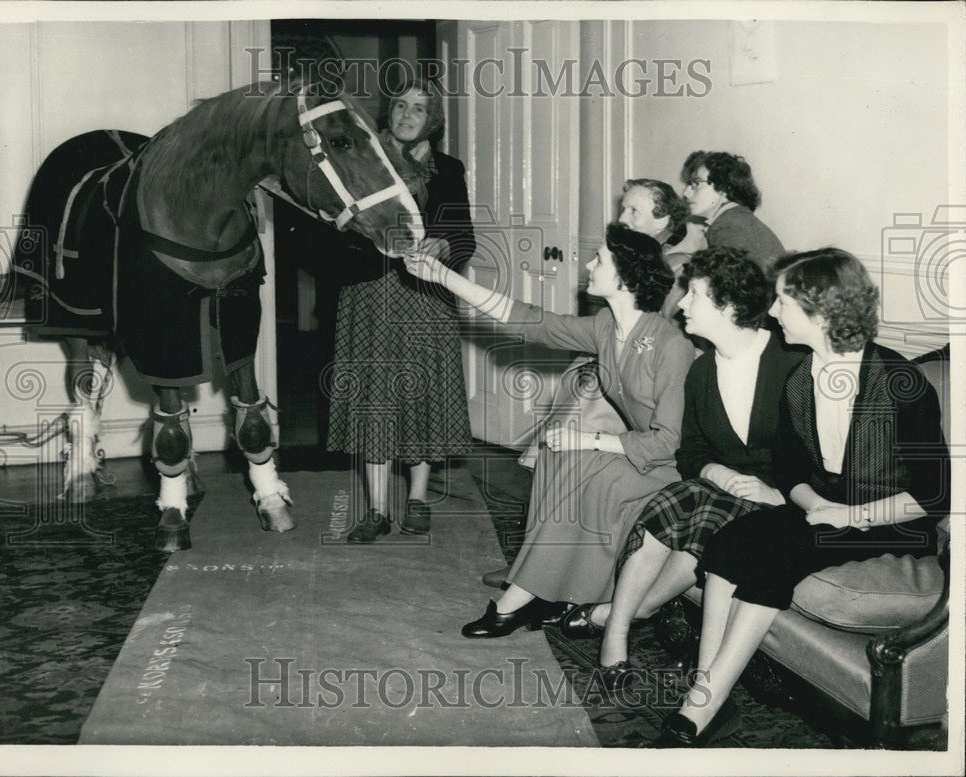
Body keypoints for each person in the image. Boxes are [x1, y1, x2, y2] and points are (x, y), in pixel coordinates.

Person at [649, 248, 949, 747]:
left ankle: (700, 706)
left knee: (772, 561)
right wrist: (814, 506)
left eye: (784, 301)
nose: (772, 311)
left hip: (897, 520)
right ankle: (711, 693)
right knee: (728, 543)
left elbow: (933, 494)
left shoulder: (901, 383)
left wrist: (848, 514)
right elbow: (791, 469)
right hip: (827, 509)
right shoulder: (799, 378)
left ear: (821, 310)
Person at [405, 224, 695, 638]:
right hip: (634, 452)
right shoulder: (606, 327)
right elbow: (530, 321)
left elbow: (669, 442)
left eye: (601, 260)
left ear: (627, 276)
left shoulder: (669, 345)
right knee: (560, 453)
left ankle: (516, 602)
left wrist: (591, 439)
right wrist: (444, 276)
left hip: (668, 467)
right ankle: (545, 591)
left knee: (587, 467)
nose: (589, 266)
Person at [561, 247, 804, 689]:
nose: (682, 305)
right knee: (678, 499)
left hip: (781, 501)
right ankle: (616, 633)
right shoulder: (702, 370)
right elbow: (689, 452)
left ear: (728, 307)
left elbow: (820, 457)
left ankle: (624, 614)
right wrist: (717, 472)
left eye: (694, 295)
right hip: (721, 489)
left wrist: (782, 493)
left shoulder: (793, 366)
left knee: (711, 514)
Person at [327, 78, 475, 542]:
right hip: (369, 296)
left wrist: (444, 241)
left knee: (421, 399)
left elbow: (466, 236)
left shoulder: (448, 170)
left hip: (425, 295)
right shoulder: (359, 162)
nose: (406, 115)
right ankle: (375, 510)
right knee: (375, 403)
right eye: (399, 105)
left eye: (418, 108)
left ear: (433, 120)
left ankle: (416, 498)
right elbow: (329, 236)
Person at [618, 179, 706, 320]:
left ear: (661, 221)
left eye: (634, 211)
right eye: (623, 209)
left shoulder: (680, 270)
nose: (622, 219)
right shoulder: (634, 254)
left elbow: (666, 328)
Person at [680, 151, 784, 269]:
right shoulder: (735, 219)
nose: (686, 193)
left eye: (696, 184)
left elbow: (729, 283)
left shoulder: (727, 227)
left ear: (723, 187)